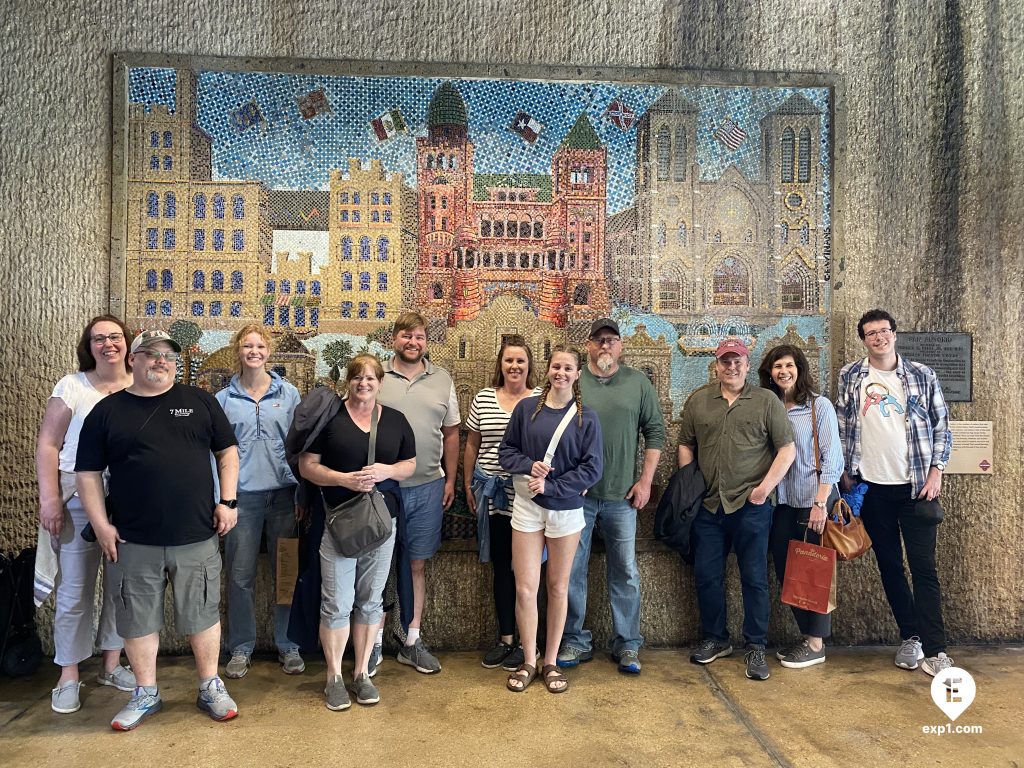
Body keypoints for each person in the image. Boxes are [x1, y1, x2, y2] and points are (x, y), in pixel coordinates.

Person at [75, 330, 240, 730]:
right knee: (137, 619)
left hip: (196, 534)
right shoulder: (107, 411)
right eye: (150, 353)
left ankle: (209, 686)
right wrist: (100, 525)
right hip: (132, 539)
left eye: (167, 354)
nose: (160, 360)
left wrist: (228, 501)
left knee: (201, 614)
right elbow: (88, 473)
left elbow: (228, 451)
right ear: (132, 360)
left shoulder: (200, 402)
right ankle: (145, 692)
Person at [835, 309, 954, 676]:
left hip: (917, 488)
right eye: (871, 333)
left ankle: (936, 651)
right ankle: (910, 637)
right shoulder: (851, 376)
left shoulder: (922, 375)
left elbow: (942, 428)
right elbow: (842, 424)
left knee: (924, 570)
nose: (878, 338)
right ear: (863, 339)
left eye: (884, 331)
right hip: (873, 489)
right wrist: (844, 473)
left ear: (895, 334)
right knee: (889, 566)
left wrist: (936, 471)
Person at [299, 355, 416, 710]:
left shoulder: (395, 421)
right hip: (339, 523)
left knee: (371, 600)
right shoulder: (330, 420)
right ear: (347, 382)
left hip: (382, 524)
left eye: (370, 378)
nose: (363, 384)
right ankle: (334, 676)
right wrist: (342, 479)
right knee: (337, 602)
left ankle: (361, 673)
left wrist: (385, 471)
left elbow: (410, 465)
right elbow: (307, 466)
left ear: (380, 383)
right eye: (357, 378)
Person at [34, 315, 137, 714]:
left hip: (126, 499)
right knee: (75, 590)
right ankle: (68, 674)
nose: (108, 344)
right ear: (88, 345)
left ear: (126, 343)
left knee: (120, 588)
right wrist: (50, 498)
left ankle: (111, 664)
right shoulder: (72, 386)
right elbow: (48, 444)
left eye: (115, 337)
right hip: (76, 496)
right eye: (99, 339)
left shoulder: (139, 385)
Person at [678, 338, 795, 681]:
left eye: (738, 361)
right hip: (709, 507)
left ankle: (756, 645)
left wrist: (764, 490)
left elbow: (786, 449)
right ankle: (716, 639)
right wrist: (690, 486)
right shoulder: (699, 401)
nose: (732, 367)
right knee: (706, 576)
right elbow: (686, 443)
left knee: (755, 578)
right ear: (716, 365)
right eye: (725, 361)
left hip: (751, 506)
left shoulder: (766, 401)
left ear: (747, 364)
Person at [559, 318, 665, 675]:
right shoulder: (574, 380)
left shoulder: (638, 383)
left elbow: (654, 433)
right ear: (588, 344)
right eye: (599, 340)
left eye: (612, 341)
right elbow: (554, 431)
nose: (605, 346)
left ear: (620, 347)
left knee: (626, 572)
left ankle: (628, 644)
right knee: (572, 570)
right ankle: (574, 639)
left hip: (623, 496)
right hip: (577, 498)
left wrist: (645, 482)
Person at [499, 346, 603, 694]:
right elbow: (506, 451)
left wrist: (554, 485)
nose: (561, 372)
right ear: (547, 370)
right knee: (526, 587)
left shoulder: (587, 418)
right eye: (556, 366)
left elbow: (592, 468)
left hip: (567, 510)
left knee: (558, 587)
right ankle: (530, 658)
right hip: (528, 507)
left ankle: (551, 661)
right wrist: (529, 466)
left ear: (577, 375)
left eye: (568, 368)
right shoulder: (527, 409)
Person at [215, 325, 303, 679]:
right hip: (243, 499)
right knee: (239, 576)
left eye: (260, 345)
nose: (254, 351)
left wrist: (302, 493)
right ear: (238, 350)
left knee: (286, 572)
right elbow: (216, 454)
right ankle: (241, 647)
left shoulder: (290, 394)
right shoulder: (223, 400)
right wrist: (223, 500)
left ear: (269, 351)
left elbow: (299, 447)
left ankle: (288, 643)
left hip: (284, 496)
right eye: (247, 345)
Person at [376, 311, 460, 674]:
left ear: (427, 341)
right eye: (406, 336)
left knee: (416, 564)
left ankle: (411, 639)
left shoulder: (442, 379)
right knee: (375, 566)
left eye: (420, 337)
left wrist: (451, 480)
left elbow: (452, 432)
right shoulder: (376, 375)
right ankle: (373, 644)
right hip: (381, 487)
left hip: (427, 486)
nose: (413, 342)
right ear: (394, 338)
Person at [758, 344, 843, 669]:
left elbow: (833, 456)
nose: (783, 371)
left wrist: (821, 503)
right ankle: (806, 636)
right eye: (777, 366)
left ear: (800, 368)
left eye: (789, 365)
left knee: (814, 571)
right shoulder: (772, 407)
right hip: (784, 502)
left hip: (814, 500)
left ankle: (816, 643)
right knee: (788, 573)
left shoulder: (817, 406)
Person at [464, 336, 539, 671]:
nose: (514, 366)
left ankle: (529, 642)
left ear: (529, 366)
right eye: (508, 360)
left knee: (529, 573)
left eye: (520, 361)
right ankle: (506, 637)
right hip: (492, 497)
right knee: (501, 567)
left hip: (528, 498)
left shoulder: (540, 400)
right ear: (500, 365)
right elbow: (472, 445)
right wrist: (468, 484)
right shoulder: (483, 399)